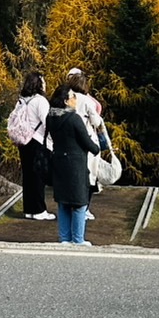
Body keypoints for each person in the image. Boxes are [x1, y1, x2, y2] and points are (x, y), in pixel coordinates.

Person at [46, 82, 100, 246]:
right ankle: (78, 239)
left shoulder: (51, 117)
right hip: (76, 163)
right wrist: (97, 147)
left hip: (59, 161)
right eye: (73, 97)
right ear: (65, 101)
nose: (75, 100)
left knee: (63, 202)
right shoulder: (74, 118)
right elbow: (87, 143)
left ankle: (65, 238)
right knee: (79, 202)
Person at [67, 67, 110, 220]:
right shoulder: (86, 100)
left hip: (70, 141)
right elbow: (97, 121)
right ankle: (83, 208)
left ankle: (73, 207)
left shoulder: (67, 98)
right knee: (89, 175)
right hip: (87, 139)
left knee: (74, 175)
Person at [14, 71, 54, 221]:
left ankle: (29, 209)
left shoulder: (21, 100)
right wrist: (52, 141)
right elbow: (47, 122)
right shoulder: (40, 101)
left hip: (23, 141)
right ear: (39, 84)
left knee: (28, 177)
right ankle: (39, 210)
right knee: (38, 176)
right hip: (37, 140)